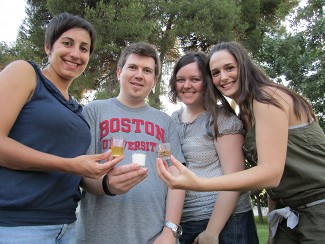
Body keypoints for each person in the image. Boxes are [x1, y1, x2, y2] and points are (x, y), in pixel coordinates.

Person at [157, 41, 325, 244]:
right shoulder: (244, 113)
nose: (224, 77)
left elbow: (271, 173)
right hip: (289, 213)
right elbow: (275, 184)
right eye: (216, 72)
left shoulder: (268, 98)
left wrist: (200, 185)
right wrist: (272, 233)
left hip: (319, 206)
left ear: (244, 66)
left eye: (229, 68)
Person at [0, 12, 123, 243]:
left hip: (66, 227)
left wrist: (107, 182)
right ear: (48, 46)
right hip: (17, 224)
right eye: (67, 43)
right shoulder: (26, 73)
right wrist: (69, 165)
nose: (76, 54)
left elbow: (76, 172)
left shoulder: (77, 109)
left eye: (84, 48)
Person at [76, 42, 185, 244]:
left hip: (154, 237)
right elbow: (81, 173)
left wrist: (169, 231)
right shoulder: (94, 112)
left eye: (147, 70)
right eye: (132, 67)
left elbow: (174, 177)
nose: (139, 75)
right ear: (119, 72)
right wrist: (107, 185)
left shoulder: (164, 123)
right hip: (98, 236)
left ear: (154, 80)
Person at [168, 52, 259, 244]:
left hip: (226, 224)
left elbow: (234, 179)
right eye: (180, 79)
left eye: (195, 79)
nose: (186, 85)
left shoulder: (221, 119)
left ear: (207, 82)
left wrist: (212, 231)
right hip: (186, 223)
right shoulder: (171, 121)